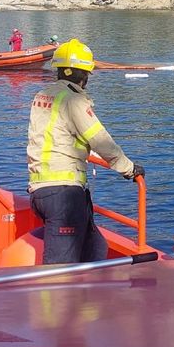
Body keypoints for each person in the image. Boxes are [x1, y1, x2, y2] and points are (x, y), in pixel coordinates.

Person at [26, 39, 144, 263]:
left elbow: (55, 135)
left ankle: (88, 296)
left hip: (40, 190)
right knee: (59, 267)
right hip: (64, 194)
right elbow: (101, 140)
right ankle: (56, 297)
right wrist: (129, 169)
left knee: (96, 248)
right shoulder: (73, 100)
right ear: (83, 74)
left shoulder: (42, 96)